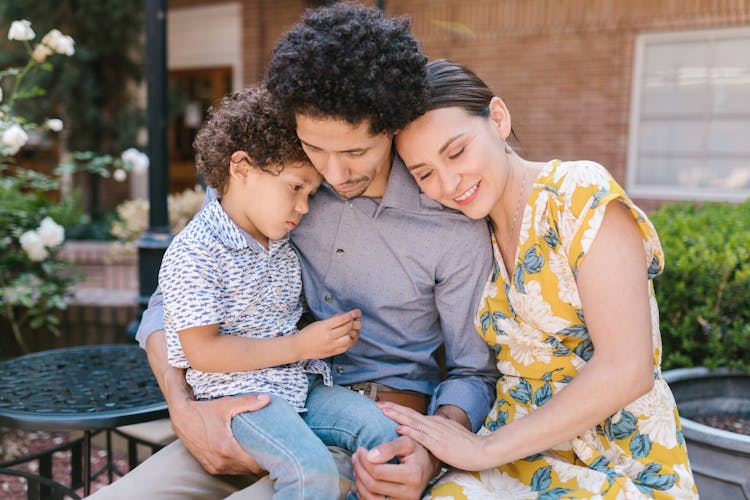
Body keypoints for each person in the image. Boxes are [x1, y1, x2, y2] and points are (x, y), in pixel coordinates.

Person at [92, 4, 497, 499]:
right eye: (315, 148)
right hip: (245, 407)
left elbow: (472, 371)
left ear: (393, 126)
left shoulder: (450, 226)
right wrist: (184, 407)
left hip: (371, 432)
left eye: (356, 152)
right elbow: (171, 302)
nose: (334, 174)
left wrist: (433, 451)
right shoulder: (269, 176)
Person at [379, 59, 698, 498]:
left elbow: (629, 366)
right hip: (512, 453)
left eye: (457, 152)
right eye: (425, 174)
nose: (450, 182)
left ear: (498, 118)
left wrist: (483, 449)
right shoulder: (466, 236)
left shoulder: (576, 194)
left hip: (616, 451)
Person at [158, 84, 405, 499]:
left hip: (298, 385)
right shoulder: (195, 251)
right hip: (240, 398)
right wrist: (302, 345)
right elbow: (202, 352)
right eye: (295, 188)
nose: (305, 207)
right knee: (313, 475)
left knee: (381, 433)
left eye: (311, 193)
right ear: (241, 168)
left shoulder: (277, 243)